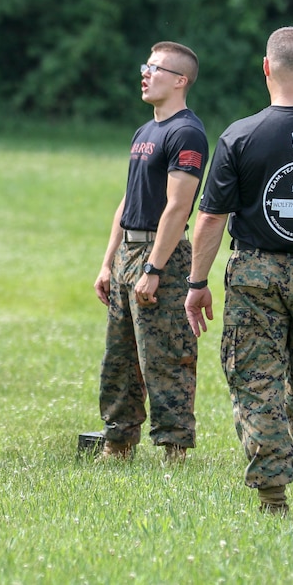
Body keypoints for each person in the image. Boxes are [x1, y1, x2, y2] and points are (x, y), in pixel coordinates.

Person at [184, 27, 293, 516]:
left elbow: (212, 218)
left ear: (266, 68)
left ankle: (272, 498)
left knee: (257, 384)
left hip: (254, 275)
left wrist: (197, 284)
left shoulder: (241, 135)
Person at [93, 42, 209, 464]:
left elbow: (179, 207)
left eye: (155, 68)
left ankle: (173, 450)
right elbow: (128, 201)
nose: (145, 74)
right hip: (129, 253)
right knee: (119, 357)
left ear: (180, 80)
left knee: (165, 357)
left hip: (164, 257)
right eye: (146, 66)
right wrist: (108, 262)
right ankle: (117, 443)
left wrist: (154, 267)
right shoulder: (146, 131)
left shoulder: (187, 132)